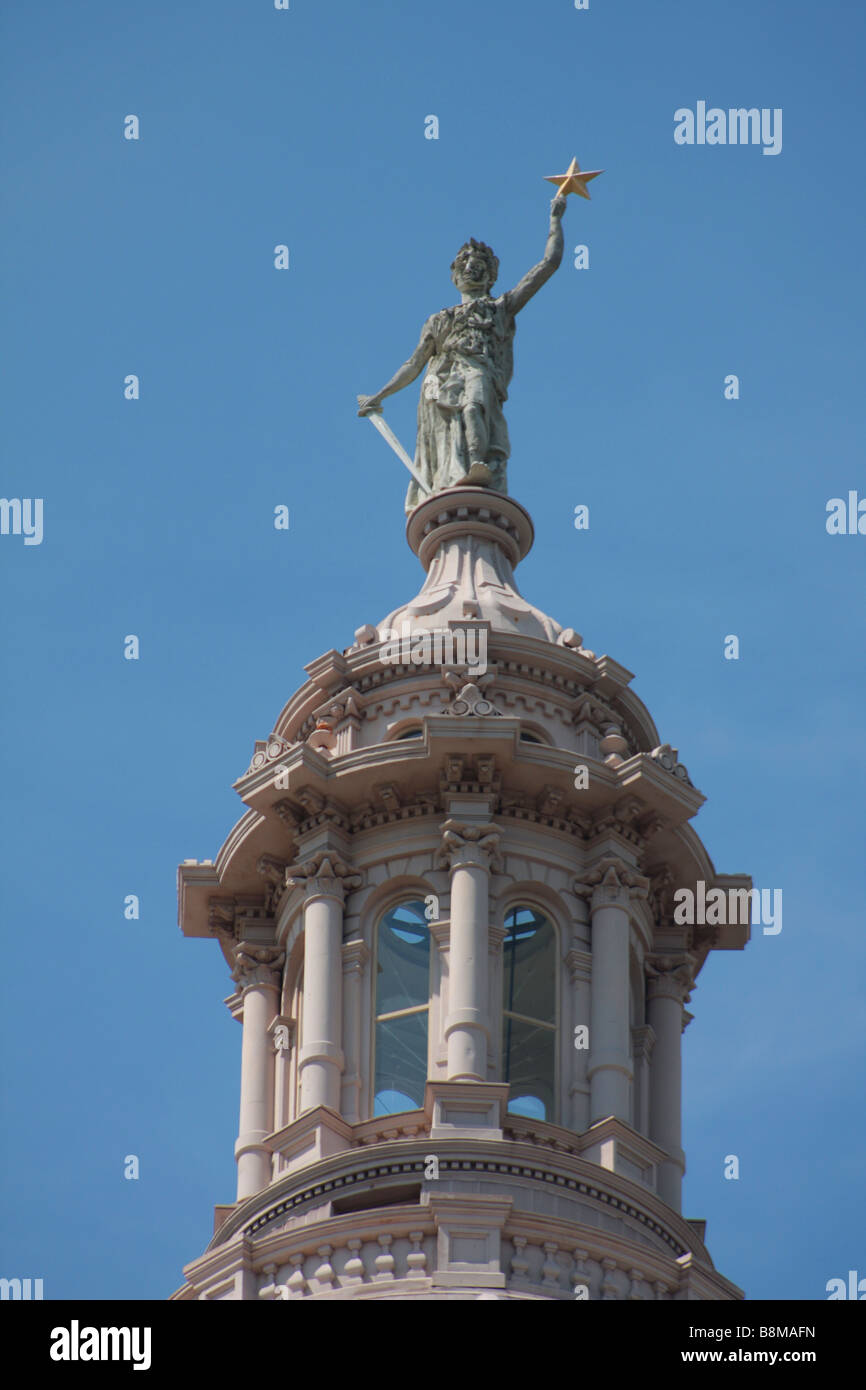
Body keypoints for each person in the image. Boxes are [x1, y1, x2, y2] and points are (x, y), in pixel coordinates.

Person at [358, 195, 567, 512]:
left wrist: (555, 220)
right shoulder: (439, 320)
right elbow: (414, 363)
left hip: (478, 369)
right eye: (466, 265)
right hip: (441, 379)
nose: (472, 269)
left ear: (491, 276)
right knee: (447, 432)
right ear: (455, 274)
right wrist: (380, 394)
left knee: (473, 408)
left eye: (480, 267)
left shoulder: (500, 308)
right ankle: (454, 474)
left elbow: (548, 265)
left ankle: (478, 467)